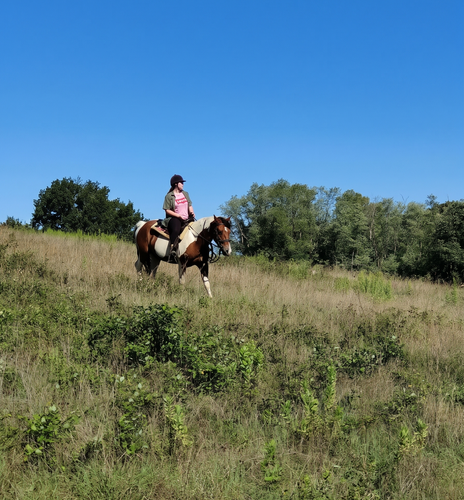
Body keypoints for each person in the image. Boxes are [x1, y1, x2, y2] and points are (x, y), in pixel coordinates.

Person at [162, 174, 195, 260]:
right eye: (181, 182)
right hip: (175, 218)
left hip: (187, 218)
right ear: (176, 184)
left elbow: (189, 205)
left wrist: (192, 212)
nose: (183, 184)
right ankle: (173, 248)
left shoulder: (185, 193)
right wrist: (178, 216)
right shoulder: (169, 196)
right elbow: (167, 210)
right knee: (176, 229)